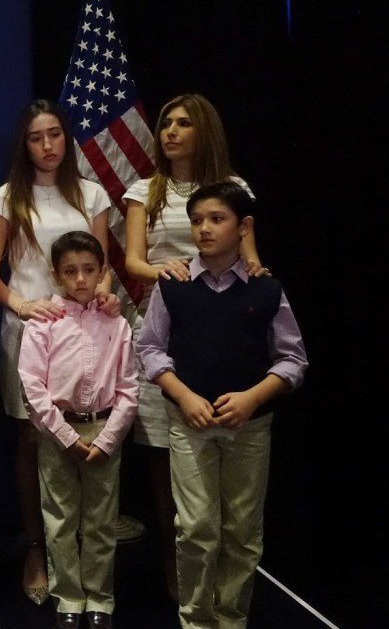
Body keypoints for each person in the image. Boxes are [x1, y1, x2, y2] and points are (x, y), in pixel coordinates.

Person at [135, 181, 308, 629]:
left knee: (242, 531)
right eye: (197, 221)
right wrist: (183, 394)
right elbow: (150, 348)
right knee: (195, 528)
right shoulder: (173, 285)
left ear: (243, 226)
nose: (205, 229)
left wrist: (254, 397)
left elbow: (293, 358)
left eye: (217, 219)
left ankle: (232, 618)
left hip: (248, 429)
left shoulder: (265, 289)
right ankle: (195, 619)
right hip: (188, 423)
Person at [122, 93, 265, 600]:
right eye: (165, 123)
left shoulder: (234, 189)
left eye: (183, 123)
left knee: (225, 449)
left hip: (223, 333)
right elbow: (134, 261)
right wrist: (168, 271)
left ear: (204, 130)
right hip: (163, 330)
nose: (171, 131)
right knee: (166, 455)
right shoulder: (145, 189)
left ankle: (225, 580)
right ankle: (176, 564)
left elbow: (250, 260)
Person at [0, 99, 123, 606]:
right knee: (31, 440)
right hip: (29, 330)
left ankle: (85, 558)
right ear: (25, 145)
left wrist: (105, 290)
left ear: (67, 141)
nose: (47, 146)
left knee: (90, 433)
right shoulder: (5, 198)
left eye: (55, 135)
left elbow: (103, 265)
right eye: (36, 137)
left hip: (86, 333)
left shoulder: (90, 193)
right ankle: (37, 548)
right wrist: (22, 305)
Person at [18, 231, 138, 629]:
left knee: (102, 521)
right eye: (70, 271)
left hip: (104, 429)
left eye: (89, 270)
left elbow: (128, 388)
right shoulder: (44, 323)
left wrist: (106, 440)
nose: (81, 279)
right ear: (55, 275)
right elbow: (32, 386)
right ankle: (68, 594)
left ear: (103, 271)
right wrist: (66, 438)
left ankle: (100, 597)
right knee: (60, 518)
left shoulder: (116, 323)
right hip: (57, 433)